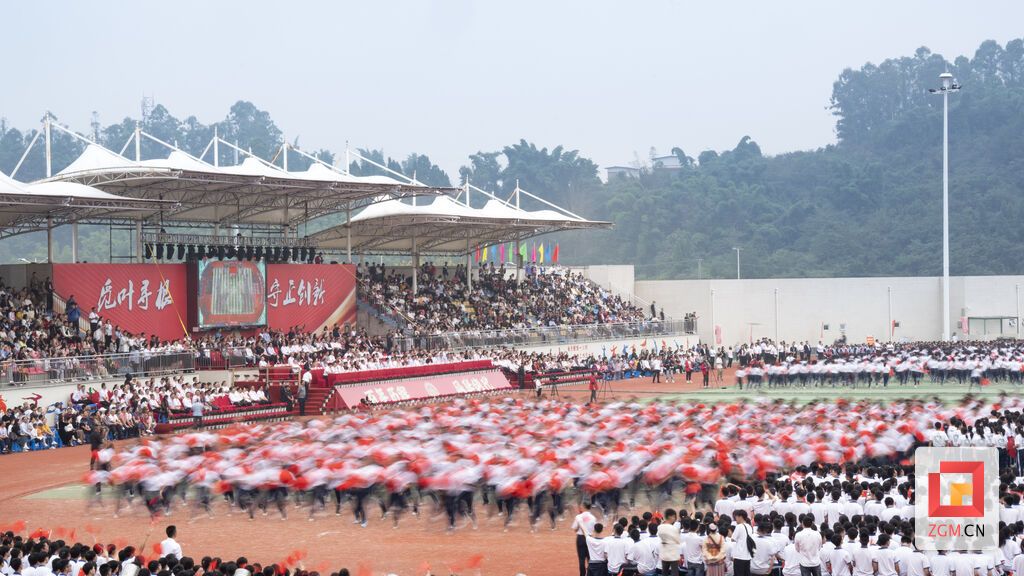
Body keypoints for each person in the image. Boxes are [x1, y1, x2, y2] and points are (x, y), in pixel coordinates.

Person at [572, 503, 597, 576]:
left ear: (584, 507)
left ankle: (582, 574)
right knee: (590, 558)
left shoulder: (578, 516)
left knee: (581, 558)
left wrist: (580, 528)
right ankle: (590, 574)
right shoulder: (593, 518)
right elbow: (594, 529)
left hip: (580, 538)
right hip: (590, 538)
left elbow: (575, 529)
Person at [658, 508, 681, 576]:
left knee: (664, 573)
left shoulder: (659, 527)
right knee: (674, 573)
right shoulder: (674, 529)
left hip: (664, 554)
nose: (674, 518)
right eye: (674, 516)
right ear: (670, 516)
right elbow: (678, 540)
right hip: (673, 554)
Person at [732, 510, 754, 576]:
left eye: (736, 517)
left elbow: (733, 539)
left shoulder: (739, 526)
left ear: (740, 517)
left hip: (739, 556)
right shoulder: (749, 526)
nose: (736, 519)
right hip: (747, 556)